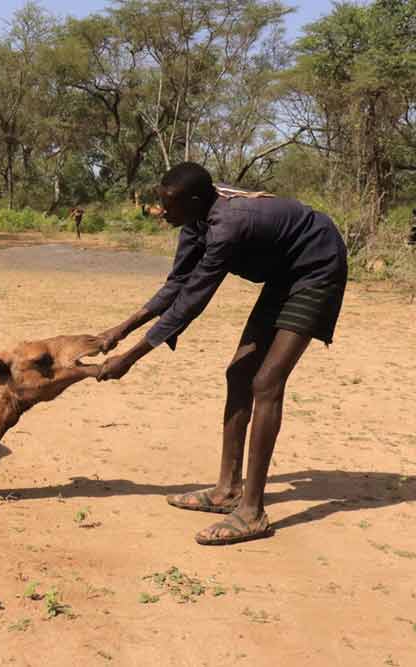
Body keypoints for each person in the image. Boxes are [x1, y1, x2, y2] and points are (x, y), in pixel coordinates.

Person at [96, 162, 347, 546]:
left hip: (317, 267)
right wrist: (120, 328)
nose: (162, 212)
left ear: (194, 201)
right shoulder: (195, 219)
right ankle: (227, 490)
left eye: (169, 205)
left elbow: (191, 301)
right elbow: (177, 283)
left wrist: (130, 357)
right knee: (238, 375)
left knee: (266, 383)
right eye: (161, 203)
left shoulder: (229, 226)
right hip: (285, 272)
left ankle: (252, 512)